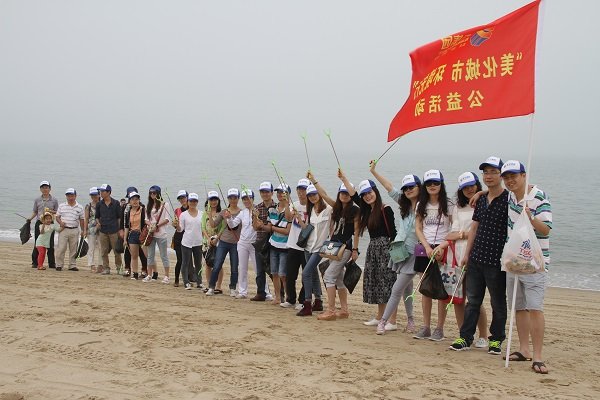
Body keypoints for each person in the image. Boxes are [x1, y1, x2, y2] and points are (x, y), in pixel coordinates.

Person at [449, 156, 508, 355]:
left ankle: (496, 339)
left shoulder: (509, 199)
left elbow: (527, 189)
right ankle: (465, 337)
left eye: (494, 172)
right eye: (486, 172)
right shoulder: (481, 199)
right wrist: (466, 254)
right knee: (473, 301)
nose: (489, 176)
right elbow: (474, 228)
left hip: (497, 260)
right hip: (476, 258)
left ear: (502, 174)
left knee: (498, 302)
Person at [501, 160, 552, 374]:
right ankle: (523, 349)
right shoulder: (512, 195)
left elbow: (546, 230)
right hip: (514, 261)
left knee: (535, 308)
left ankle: (538, 356)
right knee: (518, 307)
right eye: (507, 177)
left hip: (534, 264)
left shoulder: (538, 196)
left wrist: (530, 218)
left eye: (514, 176)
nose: (510, 180)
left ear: (524, 175)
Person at [338, 171, 397, 327]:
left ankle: (392, 320)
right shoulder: (366, 210)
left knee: (388, 283)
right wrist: (344, 179)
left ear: (375, 191)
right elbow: (354, 195)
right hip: (373, 249)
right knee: (378, 284)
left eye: (370, 192)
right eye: (365, 194)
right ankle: (380, 316)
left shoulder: (386, 209)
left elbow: (394, 234)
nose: (367, 196)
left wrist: (393, 253)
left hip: (385, 249)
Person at [437, 172, 489, 347]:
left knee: (475, 299)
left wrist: (463, 235)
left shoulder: (484, 202)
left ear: (477, 185)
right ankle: (463, 334)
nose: (469, 189)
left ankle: (483, 335)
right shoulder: (458, 207)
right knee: (458, 299)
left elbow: (482, 231)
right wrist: (465, 234)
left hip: (477, 255)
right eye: (465, 187)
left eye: (472, 185)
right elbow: (451, 234)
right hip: (457, 258)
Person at [370, 164, 420, 334]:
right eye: (405, 188)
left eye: (411, 187)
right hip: (399, 251)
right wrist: (374, 172)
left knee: (396, 289)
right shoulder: (404, 204)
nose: (408, 190)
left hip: (414, 253)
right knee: (406, 288)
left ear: (419, 188)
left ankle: (383, 322)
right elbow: (388, 187)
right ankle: (411, 321)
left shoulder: (427, 207)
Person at [308, 172, 360, 321]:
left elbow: (356, 231)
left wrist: (355, 250)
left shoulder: (355, 210)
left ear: (351, 194)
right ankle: (344, 310)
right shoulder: (336, 208)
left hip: (345, 247)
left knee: (329, 277)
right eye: (342, 192)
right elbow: (323, 194)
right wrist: (313, 180)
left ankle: (331, 311)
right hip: (333, 246)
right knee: (338, 279)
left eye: (347, 193)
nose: (344, 195)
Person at [414, 169, 454, 341]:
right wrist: (427, 247)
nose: (432, 186)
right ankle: (426, 326)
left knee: (442, 289)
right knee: (426, 289)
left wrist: (442, 247)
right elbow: (418, 228)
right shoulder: (420, 205)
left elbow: (454, 228)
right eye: (429, 183)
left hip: (443, 249)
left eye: (436, 183)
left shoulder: (449, 204)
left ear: (441, 184)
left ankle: (439, 328)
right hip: (425, 249)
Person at [294, 184, 329, 316]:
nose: (313, 197)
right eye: (310, 195)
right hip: (308, 246)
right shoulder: (311, 210)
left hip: (320, 248)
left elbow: (325, 194)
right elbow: (307, 229)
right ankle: (318, 301)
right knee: (313, 273)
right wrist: (298, 218)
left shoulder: (328, 209)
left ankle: (307, 303)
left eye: (314, 194)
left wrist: (314, 181)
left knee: (306, 273)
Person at [206, 188, 242, 297]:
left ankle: (232, 288)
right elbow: (213, 225)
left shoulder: (242, 212)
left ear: (238, 198)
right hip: (223, 242)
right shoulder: (223, 212)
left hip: (236, 243)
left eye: (235, 197)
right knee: (217, 265)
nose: (233, 200)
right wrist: (209, 215)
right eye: (230, 198)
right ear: (228, 199)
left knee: (234, 267)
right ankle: (211, 287)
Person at [281, 178, 310, 309]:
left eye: (304, 189)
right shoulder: (295, 204)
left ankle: (303, 300)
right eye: (299, 189)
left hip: (307, 246)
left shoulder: (313, 206)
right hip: (293, 244)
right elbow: (288, 217)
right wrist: (287, 203)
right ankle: (290, 299)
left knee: (306, 274)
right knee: (290, 274)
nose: (301, 192)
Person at [250, 181, 277, 302]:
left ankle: (279, 293)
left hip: (273, 241)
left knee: (273, 269)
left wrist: (263, 225)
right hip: (260, 241)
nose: (265, 194)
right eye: (262, 192)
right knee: (260, 269)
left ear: (272, 193)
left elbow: (275, 226)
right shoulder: (257, 208)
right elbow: (255, 227)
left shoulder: (276, 206)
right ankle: (261, 293)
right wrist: (256, 219)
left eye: (267, 191)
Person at [266, 184, 292, 305]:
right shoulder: (272, 209)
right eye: (278, 192)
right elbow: (268, 225)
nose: (280, 194)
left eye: (283, 192)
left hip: (285, 246)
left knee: (283, 274)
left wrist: (273, 228)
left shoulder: (291, 209)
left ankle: (288, 298)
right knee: (274, 273)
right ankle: (277, 297)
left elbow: (288, 231)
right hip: (273, 244)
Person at [231, 188, 257, 299]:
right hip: (242, 243)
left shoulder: (257, 210)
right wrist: (228, 218)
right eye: (244, 199)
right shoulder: (242, 213)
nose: (246, 201)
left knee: (258, 269)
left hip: (255, 243)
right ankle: (242, 291)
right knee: (242, 268)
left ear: (252, 199)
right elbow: (232, 225)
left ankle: (264, 291)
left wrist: (256, 215)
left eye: (248, 198)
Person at [142, 185, 171, 283]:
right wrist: (150, 226)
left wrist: (157, 226)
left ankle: (166, 276)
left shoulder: (165, 204)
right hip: (151, 234)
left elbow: (167, 219)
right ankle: (149, 274)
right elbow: (146, 219)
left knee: (164, 255)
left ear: (158, 193)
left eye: (154, 193)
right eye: (150, 193)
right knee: (150, 255)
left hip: (161, 234)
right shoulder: (148, 206)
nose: (152, 195)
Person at [29, 181, 59, 268]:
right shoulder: (37, 200)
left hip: (50, 223)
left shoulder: (54, 200)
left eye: (46, 187)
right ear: (40, 189)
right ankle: (35, 263)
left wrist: (50, 211)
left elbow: (57, 211)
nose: (45, 189)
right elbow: (35, 211)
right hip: (40, 222)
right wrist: (29, 219)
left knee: (50, 243)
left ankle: (52, 264)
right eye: (43, 187)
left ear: (50, 189)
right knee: (38, 242)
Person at [177, 193, 204, 290]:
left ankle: (199, 282)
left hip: (198, 242)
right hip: (186, 242)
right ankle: (186, 282)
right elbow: (180, 229)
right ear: (188, 202)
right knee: (185, 263)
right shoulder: (183, 214)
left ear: (197, 202)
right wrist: (176, 226)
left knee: (198, 264)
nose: (193, 203)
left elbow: (204, 228)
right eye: (191, 201)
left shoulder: (202, 214)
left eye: (195, 201)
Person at [55, 188, 85, 271]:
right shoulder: (62, 206)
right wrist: (60, 223)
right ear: (66, 196)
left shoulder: (79, 207)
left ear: (75, 196)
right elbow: (57, 217)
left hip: (74, 229)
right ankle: (59, 265)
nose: (70, 197)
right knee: (61, 248)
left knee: (73, 249)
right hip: (64, 229)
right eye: (68, 196)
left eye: (72, 195)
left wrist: (83, 230)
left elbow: (82, 219)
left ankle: (72, 265)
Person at [95, 184, 123, 275]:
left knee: (117, 251)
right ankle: (106, 268)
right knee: (104, 251)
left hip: (114, 230)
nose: (101, 193)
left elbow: (119, 217)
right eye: (100, 191)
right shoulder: (99, 204)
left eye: (103, 191)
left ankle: (119, 268)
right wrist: (98, 223)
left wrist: (120, 230)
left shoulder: (116, 203)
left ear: (109, 192)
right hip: (103, 230)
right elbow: (97, 216)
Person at [121, 186, 148, 278]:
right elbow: (126, 225)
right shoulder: (127, 211)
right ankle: (135, 273)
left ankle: (146, 271)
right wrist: (125, 239)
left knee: (144, 255)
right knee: (133, 255)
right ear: (129, 201)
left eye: (136, 199)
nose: (135, 201)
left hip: (142, 234)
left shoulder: (143, 209)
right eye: (132, 199)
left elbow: (147, 221)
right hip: (132, 234)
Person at [202, 191, 226, 293]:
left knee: (218, 265)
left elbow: (223, 228)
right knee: (208, 264)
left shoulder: (221, 213)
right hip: (206, 243)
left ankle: (218, 286)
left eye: (215, 199)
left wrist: (216, 239)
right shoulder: (205, 213)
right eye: (211, 199)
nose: (213, 202)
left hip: (218, 242)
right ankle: (209, 284)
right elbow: (203, 227)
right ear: (208, 201)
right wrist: (208, 239)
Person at [172, 190, 189, 287]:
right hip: (178, 237)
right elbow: (175, 224)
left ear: (187, 197)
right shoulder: (177, 211)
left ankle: (188, 279)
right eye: (180, 198)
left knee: (188, 260)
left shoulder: (192, 209)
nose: (182, 200)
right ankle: (176, 279)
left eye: (183, 197)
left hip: (189, 237)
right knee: (180, 259)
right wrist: (174, 224)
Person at [84, 187, 101, 272]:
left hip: (101, 227)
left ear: (99, 195)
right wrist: (84, 230)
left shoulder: (102, 204)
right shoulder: (88, 206)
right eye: (92, 195)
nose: (94, 196)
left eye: (95, 195)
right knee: (91, 247)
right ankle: (91, 264)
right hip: (91, 228)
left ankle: (101, 265)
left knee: (102, 247)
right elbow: (86, 218)